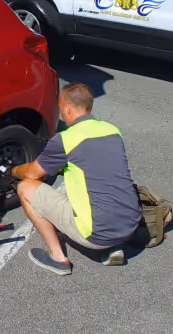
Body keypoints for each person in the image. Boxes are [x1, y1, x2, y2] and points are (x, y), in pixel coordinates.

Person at [8, 82, 146, 274]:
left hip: (96, 234)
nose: (61, 114)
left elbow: (32, 173)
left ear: (68, 109)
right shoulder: (113, 131)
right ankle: (114, 246)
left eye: (61, 109)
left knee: (26, 188)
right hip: (130, 225)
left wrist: (13, 170)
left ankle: (58, 258)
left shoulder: (66, 139)